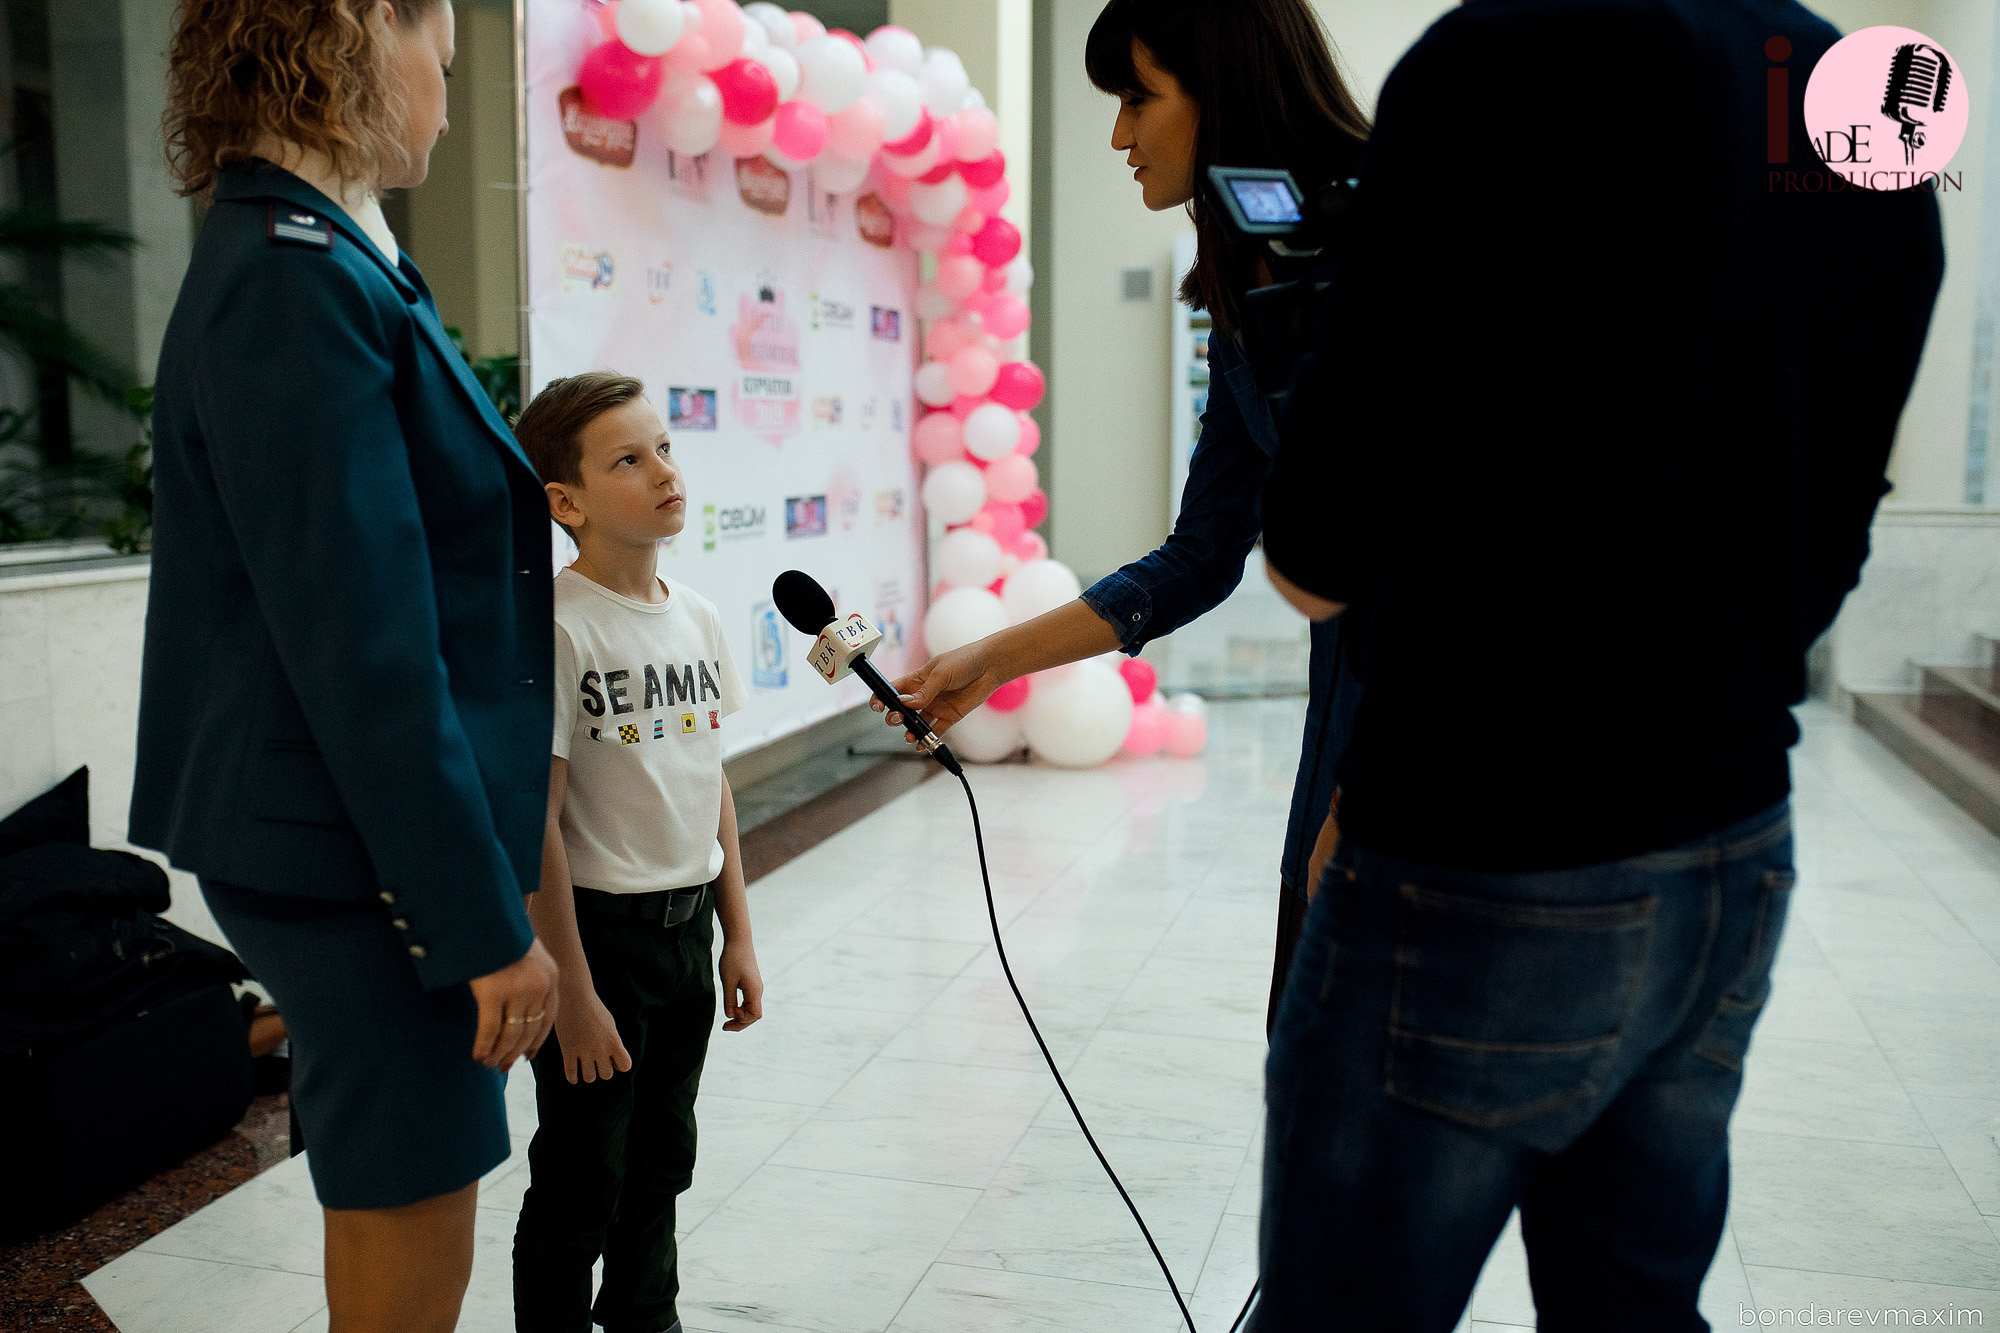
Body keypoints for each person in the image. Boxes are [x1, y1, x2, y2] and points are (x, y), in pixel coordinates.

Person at [1252, 0, 1945, 1326]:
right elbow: (1837, 527)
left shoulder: (1493, 61)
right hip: (1735, 839)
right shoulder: (1870, 94)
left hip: (1485, 865)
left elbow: (1311, 559)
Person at [131, 2, 561, 1328]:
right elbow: (363, 644)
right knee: (413, 1182)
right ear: (365, 27)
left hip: (345, 835)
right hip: (352, 852)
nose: (447, 73)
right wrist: (479, 925)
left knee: (399, 1171)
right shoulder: (288, 269)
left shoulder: (327, 255)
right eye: (439, 37)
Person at [880, 0, 1371, 1031]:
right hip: (1349, 753)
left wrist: (1369, 801)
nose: (1118, 137)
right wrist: (993, 659)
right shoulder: (1249, 288)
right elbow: (1201, 554)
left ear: (1223, 92)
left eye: (1137, 100)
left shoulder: (1387, 254)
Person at [509, 373, 765, 1333]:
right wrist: (571, 994)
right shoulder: (561, 625)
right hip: (598, 941)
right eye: (629, 458)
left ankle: (647, 1316)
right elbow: (539, 822)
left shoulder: (695, 614)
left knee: (662, 1157)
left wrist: (736, 931)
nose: (664, 471)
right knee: (584, 1171)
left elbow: (714, 787)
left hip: (685, 932)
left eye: (664, 448)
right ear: (565, 502)